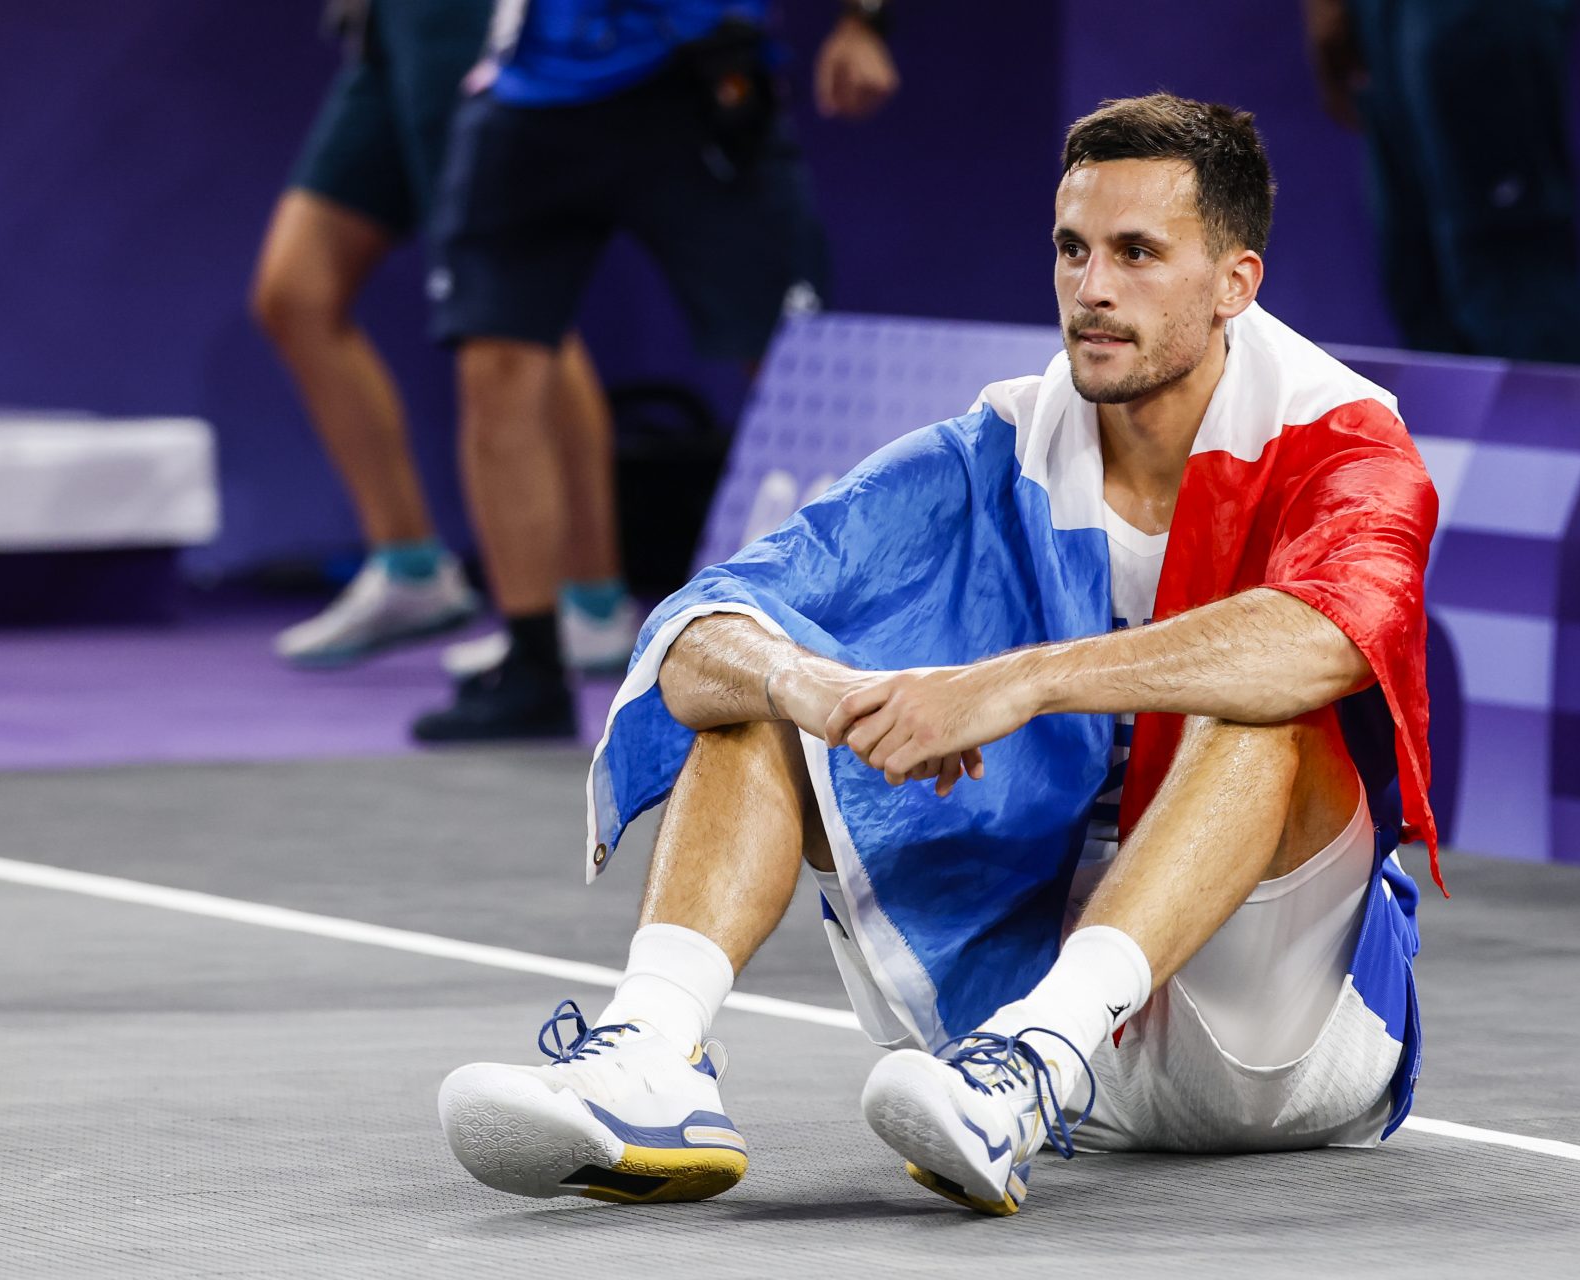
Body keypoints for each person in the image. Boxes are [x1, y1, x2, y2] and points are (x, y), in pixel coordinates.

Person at [436, 93, 1440, 1216]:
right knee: (756, 678)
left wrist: (1012, 682)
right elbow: (693, 634)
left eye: (1137, 253)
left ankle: (1040, 1056)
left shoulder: (1343, 439)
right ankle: (651, 1058)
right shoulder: (994, 449)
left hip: (1276, 1037)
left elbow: (1324, 640)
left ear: (1234, 285)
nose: (1092, 288)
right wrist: (820, 689)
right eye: (1072, 249)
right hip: (1011, 1027)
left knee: (1265, 705)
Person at [410, 0, 900, 740]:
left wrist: (865, 20)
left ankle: (866, 655)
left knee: (787, 362)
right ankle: (534, 666)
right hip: (531, 94)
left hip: (694, 80)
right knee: (497, 360)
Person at [253, 0, 641, 673]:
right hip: (384, 24)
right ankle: (410, 571)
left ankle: (591, 605)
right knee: (297, 293)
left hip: (468, 19)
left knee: (515, 309)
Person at [1302, 0, 1580, 363]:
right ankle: (1456, 422)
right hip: (1380, 15)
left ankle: (1548, 418)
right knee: (1420, 276)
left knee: (1512, 277)